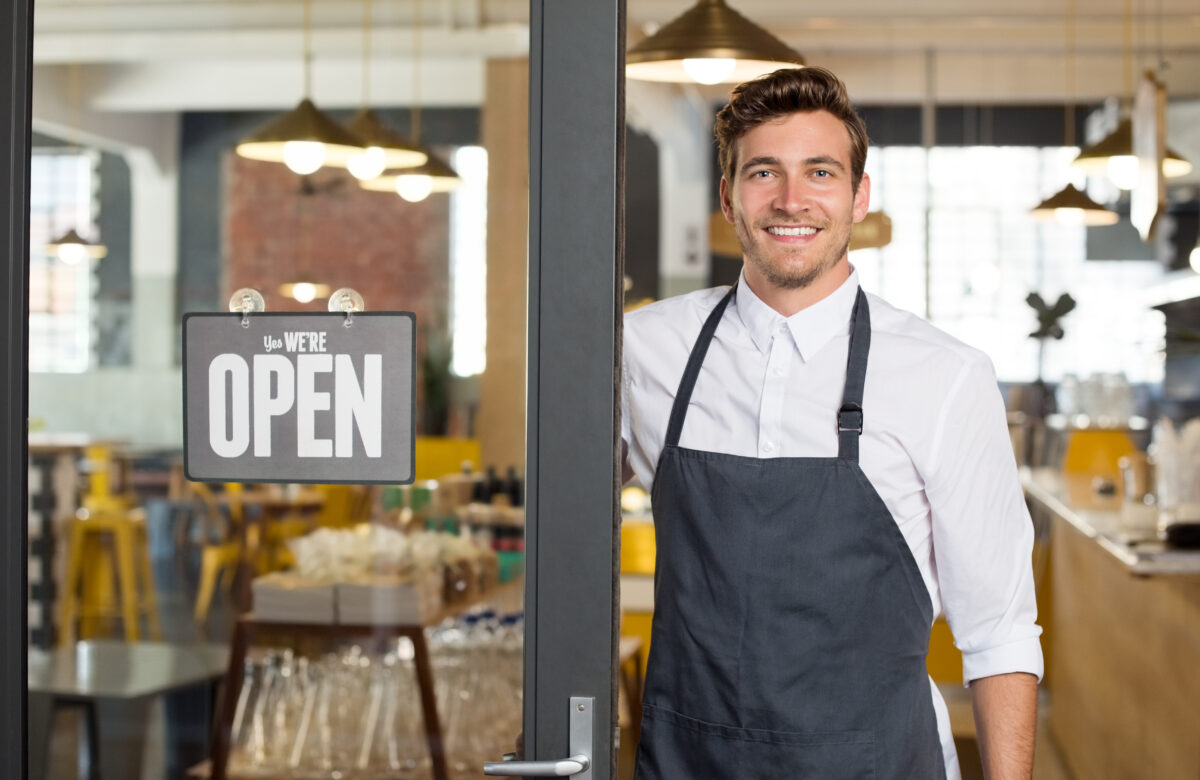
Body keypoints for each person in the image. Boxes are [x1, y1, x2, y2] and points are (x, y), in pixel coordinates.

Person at [622, 66, 1042, 779]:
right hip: (688, 763)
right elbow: (569, 540)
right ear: (729, 197)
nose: (791, 200)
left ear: (857, 196)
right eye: (763, 173)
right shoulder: (644, 351)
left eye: (820, 172)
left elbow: (997, 631)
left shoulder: (945, 376)